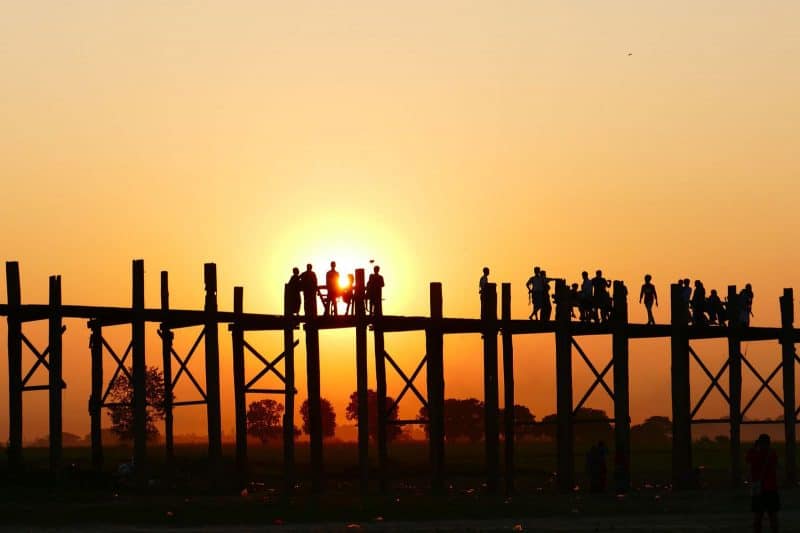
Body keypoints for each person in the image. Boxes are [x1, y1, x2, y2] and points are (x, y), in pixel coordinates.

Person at [746, 434, 779, 533]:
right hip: (771, 488)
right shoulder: (772, 454)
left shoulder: (754, 454)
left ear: (759, 443)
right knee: (773, 516)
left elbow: (748, 460)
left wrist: (754, 448)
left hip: (758, 489)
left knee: (758, 517)